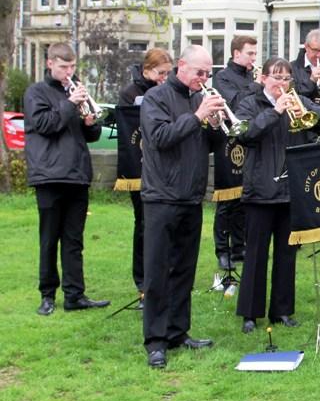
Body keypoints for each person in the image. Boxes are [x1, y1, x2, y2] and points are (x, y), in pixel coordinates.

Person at [234, 58, 320, 334]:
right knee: (255, 254)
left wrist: (306, 112)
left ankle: (282, 311)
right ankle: (250, 314)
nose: (282, 84)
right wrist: (274, 112)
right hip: (260, 190)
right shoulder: (249, 103)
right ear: (264, 78)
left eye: (286, 78)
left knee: (286, 255)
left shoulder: (298, 100)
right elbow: (244, 134)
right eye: (276, 78)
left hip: (290, 190)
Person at [140, 45, 225, 369]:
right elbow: (161, 137)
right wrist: (198, 116)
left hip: (190, 195)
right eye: (199, 72)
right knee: (158, 270)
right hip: (161, 196)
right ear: (181, 67)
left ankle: (178, 331)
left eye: (207, 73)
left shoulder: (198, 99)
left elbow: (212, 145)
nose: (203, 78)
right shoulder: (157, 98)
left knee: (184, 270)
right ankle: (156, 340)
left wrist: (214, 124)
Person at [24, 43, 109, 316]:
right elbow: (45, 125)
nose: (68, 72)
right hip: (48, 175)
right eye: (63, 67)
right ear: (50, 64)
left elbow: (91, 136)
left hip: (76, 175)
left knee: (74, 239)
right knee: (49, 238)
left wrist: (90, 123)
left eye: (72, 67)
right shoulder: (36, 92)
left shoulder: (75, 92)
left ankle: (75, 294)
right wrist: (70, 104)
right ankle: (47, 295)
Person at [118, 48, 173, 303]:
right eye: (160, 73)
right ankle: (142, 281)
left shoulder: (171, 90)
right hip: (139, 168)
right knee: (143, 226)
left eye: (167, 73)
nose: (164, 77)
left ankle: (166, 275)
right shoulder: (130, 94)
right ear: (147, 70)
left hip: (166, 169)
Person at [211, 35, 260, 272]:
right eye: (250, 53)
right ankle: (223, 250)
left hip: (248, 139)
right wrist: (258, 85)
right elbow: (236, 102)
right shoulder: (222, 77)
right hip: (228, 142)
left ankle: (240, 246)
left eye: (254, 53)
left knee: (244, 199)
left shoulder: (251, 77)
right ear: (236, 53)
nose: (253, 58)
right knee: (226, 199)